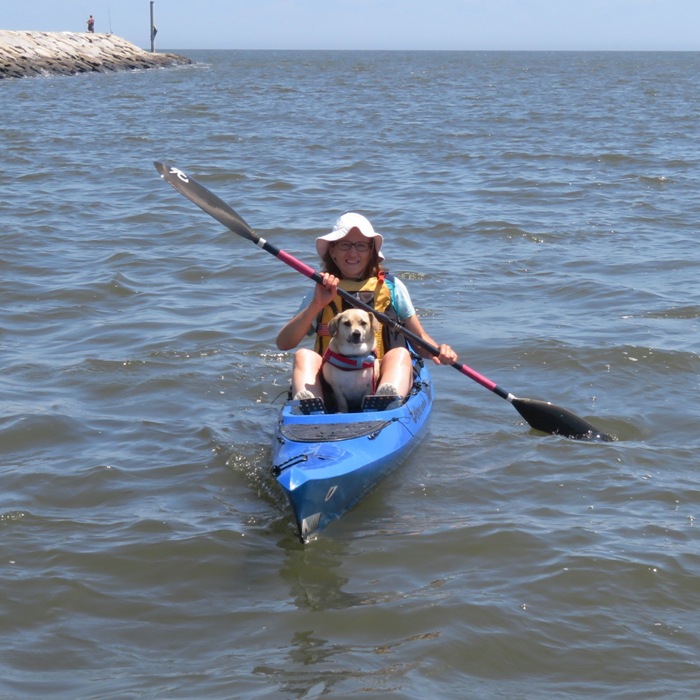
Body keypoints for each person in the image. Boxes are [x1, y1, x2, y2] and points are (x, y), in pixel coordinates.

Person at [276, 212, 457, 409]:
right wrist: (317, 305)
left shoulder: (392, 288)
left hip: (380, 380)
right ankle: (310, 405)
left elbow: (419, 338)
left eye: (361, 245)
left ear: (371, 251)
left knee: (400, 354)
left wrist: (439, 351)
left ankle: (384, 402)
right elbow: (284, 343)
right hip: (332, 384)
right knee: (303, 355)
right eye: (344, 244)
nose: (352, 253)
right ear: (333, 251)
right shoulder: (321, 291)